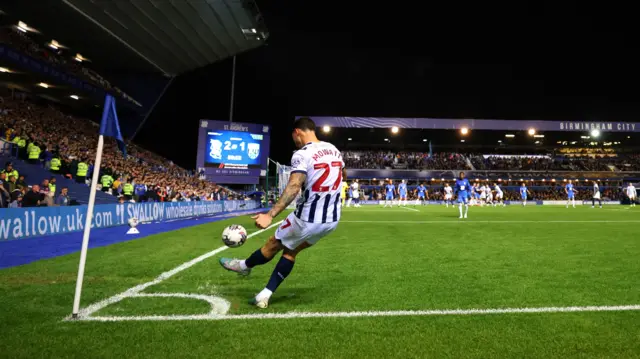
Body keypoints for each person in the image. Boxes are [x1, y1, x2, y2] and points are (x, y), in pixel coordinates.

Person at [219, 117, 344, 309]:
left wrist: (270, 215)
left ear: (297, 132)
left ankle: (243, 266)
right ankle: (265, 294)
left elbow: (294, 186)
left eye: (293, 136)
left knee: (273, 243)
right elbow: (342, 175)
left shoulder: (302, 154)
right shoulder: (334, 149)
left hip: (308, 218)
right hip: (331, 220)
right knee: (291, 251)